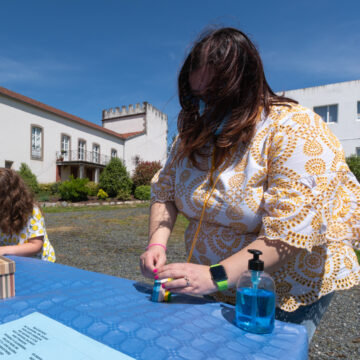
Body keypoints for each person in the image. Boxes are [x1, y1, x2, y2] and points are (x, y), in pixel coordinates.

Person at [139, 27, 360, 340]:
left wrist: (214, 275)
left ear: (246, 87)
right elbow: (164, 192)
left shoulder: (293, 128)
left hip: (281, 287)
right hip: (215, 280)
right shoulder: (194, 134)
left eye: (214, 98)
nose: (204, 109)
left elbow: (287, 232)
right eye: (196, 98)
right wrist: (156, 243)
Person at [0, 167, 56, 262]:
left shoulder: (31, 210)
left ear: (9, 198)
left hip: (38, 264)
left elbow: (35, 245)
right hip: (12, 261)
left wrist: (2, 250)